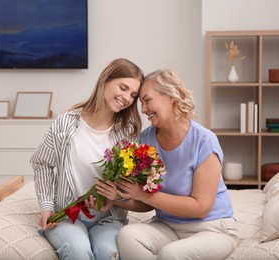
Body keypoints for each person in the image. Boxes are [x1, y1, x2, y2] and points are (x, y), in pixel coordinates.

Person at [97, 69, 239, 259]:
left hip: (212, 228)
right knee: (127, 235)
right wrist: (117, 198)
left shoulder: (204, 141)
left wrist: (144, 195)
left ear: (171, 96)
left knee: (170, 254)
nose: (144, 110)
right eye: (141, 103)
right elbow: (145, 201)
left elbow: (201, 207)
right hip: (167, 226)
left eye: (147, 101)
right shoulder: (146, 139)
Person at [30, 58, 144, 260]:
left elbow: (130, 184)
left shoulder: (128, 133)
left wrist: (114, 197)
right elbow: (42, 163)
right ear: (105, 80)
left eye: (133, 95)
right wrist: (47, 206)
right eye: (123, 87)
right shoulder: (67, 122)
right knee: (78, 250)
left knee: (108, 253)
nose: (126, 98)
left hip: (108, 219)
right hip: (66, 216)